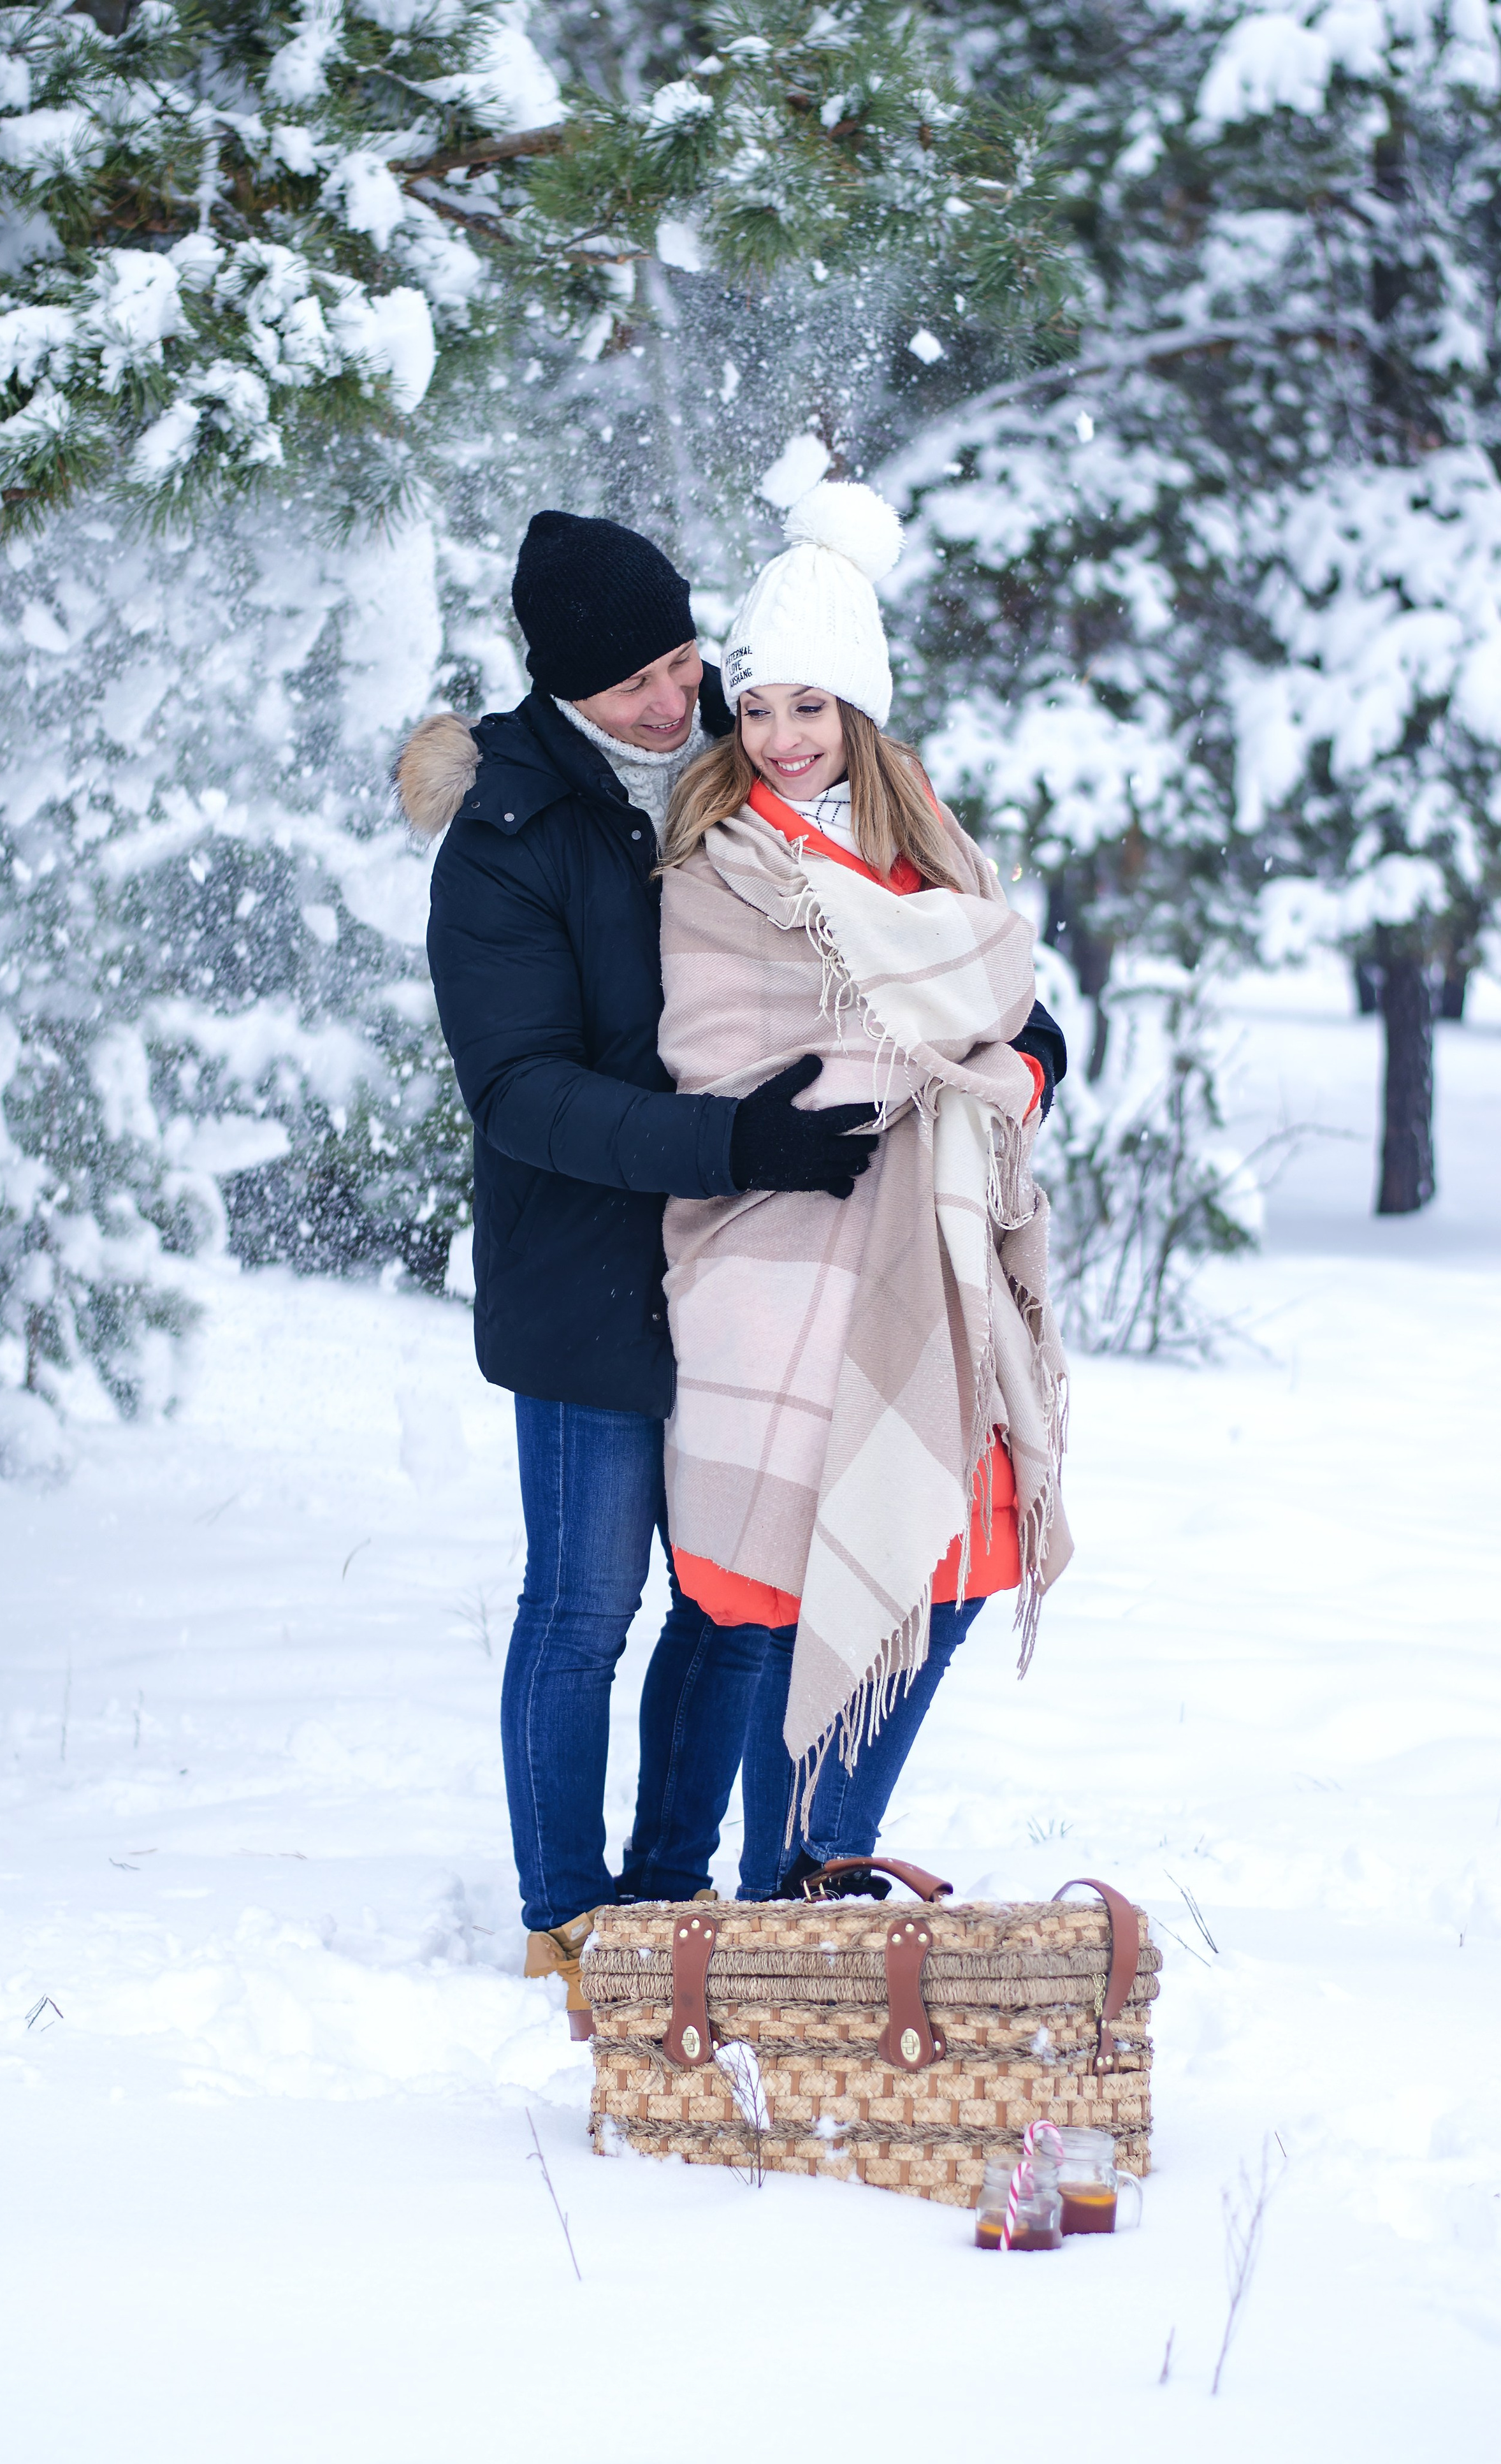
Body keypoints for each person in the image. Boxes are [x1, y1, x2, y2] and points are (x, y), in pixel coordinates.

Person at [397, 511, 885, 2033]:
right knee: (586, 1598)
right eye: (638, 687)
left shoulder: (732, 772)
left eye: (688, 666)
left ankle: (670, 1895)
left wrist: (1013, 1031)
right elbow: (521, 1093)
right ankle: (564, 1915)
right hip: (588, 1275)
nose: (677, 706)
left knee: (732, 1597)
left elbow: (893, 915)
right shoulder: (505, 837)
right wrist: (731, 1142)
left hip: (737, 1262)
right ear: (561, 688)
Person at [656, 481, 1073, 1900]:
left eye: (808, 708)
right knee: (785, 1595)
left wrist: (1014, 1061)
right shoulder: (720, 861)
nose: (775, 739)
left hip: (922, 1267)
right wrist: (976, 1053)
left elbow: (1005, 1001)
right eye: (755, 706)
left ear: (861, 716)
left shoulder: (926, 851)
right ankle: (776, 1885)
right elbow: (729, 1051)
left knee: (947, 1564)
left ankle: (818, 1861)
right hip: (771, 1258)